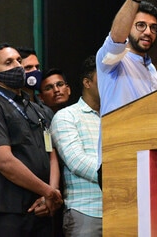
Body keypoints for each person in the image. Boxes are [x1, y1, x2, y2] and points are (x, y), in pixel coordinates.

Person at [95, 0, 157, 188]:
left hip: (149, 159)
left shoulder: (152, 70)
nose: (147, 31)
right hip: (118, 158)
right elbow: (116, 36)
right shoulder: (113, 59)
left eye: (153, 28)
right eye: (141, 25)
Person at [0, 43, 63, 236]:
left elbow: (51, 154)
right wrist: (48, 192)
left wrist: (50, 194)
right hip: (7, 213)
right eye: (9, 62)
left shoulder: (36, 109)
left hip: (42, 209)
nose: (18, 67)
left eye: (19, 60)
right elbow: (4, 162)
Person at [50, 55, 103, 236]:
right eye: (103, 76)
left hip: (122, 208)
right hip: (86, 210)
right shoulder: (66, 116)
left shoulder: (116, 115)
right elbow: (76, 161)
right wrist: (117, 175)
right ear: (87, 83)